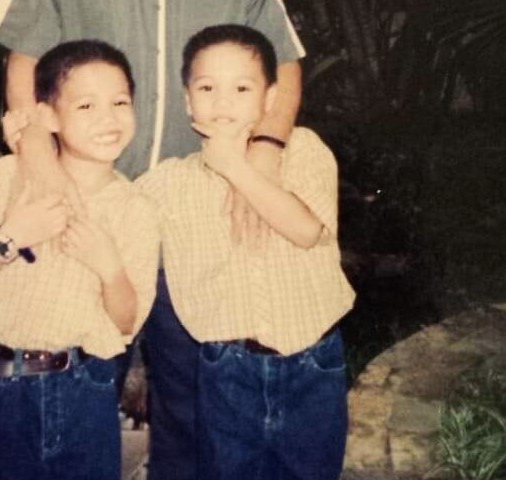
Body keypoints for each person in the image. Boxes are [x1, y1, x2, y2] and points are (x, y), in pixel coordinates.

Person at [0, 2, 305, 479]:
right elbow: (25, 58)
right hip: (91, 204)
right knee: (77, 380)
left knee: (191, 394)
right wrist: (39, 159)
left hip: (196, 208)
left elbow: (284, 65)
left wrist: (264, 150)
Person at [136, 24, 356, 480]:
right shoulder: (169, 183)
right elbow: (107, 205)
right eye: (206, 87)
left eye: (241, 87)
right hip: (225, 369)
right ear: (187, 100)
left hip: (312, 363)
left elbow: (304, 229)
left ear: (270, 98)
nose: (222, 102)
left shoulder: (305, 151)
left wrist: (236, 166)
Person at [0, 39, 160, 480]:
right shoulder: (10, 176)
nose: (108, 118)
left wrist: (108, 267)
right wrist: (11, 236)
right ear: (48, 116)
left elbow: (126, 321)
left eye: (120, 102)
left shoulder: (136, 209)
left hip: (84, 386)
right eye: (86, 106)